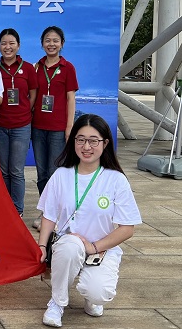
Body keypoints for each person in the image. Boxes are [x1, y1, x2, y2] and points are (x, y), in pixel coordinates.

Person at [37, 114, 141, 327]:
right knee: (71, 246)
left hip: (102, 248)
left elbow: (127, 228)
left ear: (105, 143)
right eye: (81, 139)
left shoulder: (116, 179)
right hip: (68, 244)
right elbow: (49, 215)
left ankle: (90, 297)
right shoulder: (61, 175)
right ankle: (57, 303)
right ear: (73, 141)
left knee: (98, 293)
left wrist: (94, 247)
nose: (86, 146)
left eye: (93, 141)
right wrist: (41, 246)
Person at [32, 26, 79, 231]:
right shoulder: (36, 67)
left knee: (55, 171)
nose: (51, 44)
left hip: (58, 128)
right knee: (42, 173)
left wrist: (69, 127)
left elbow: (71, 99)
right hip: (37, 127)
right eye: (47, 40)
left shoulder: (68, 68)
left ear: (62, 43)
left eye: (55, 40)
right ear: (42, 43)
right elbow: (31, 96)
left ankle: (57, 214)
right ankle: (45, 212)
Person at [0, 28, 37, 216]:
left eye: (11, 43)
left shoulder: (28, 68)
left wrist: (24, 111)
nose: (7, 47)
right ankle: (5, 208)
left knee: (17, 170)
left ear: (18, 46)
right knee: (3, 170)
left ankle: (17, 210)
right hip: (1, 125)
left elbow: (33, 94)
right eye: (4, 43)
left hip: (21, 126)